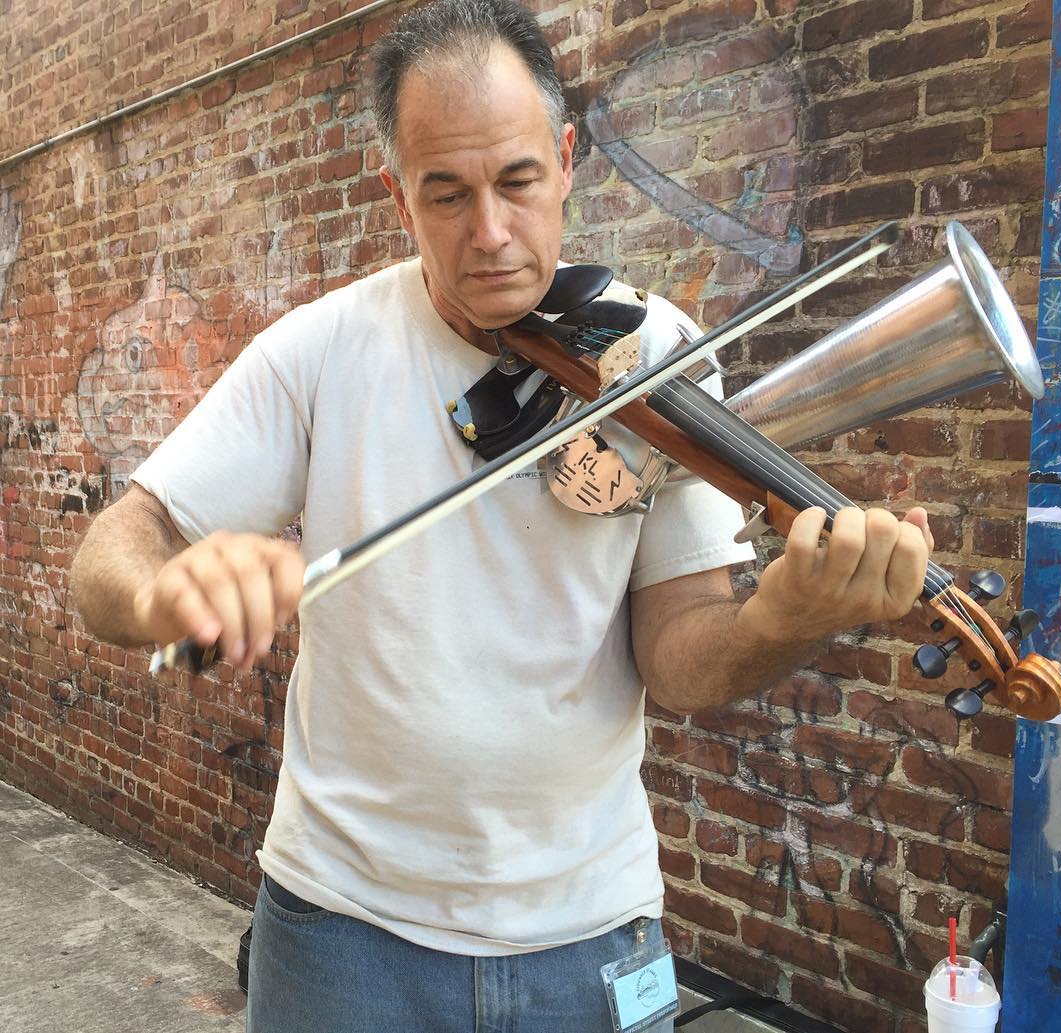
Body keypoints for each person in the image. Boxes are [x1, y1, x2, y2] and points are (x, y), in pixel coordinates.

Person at [70, 2, 933, 1030]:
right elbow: (109, 553)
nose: (490, 234)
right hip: (342, 932)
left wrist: (785, 617)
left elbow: (681, 655)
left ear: (566, 160)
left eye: (519, 181)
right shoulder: (320, 350)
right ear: (398, 196)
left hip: (594, 930)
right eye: (447, 195)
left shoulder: (652, 357)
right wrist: (162, 589)